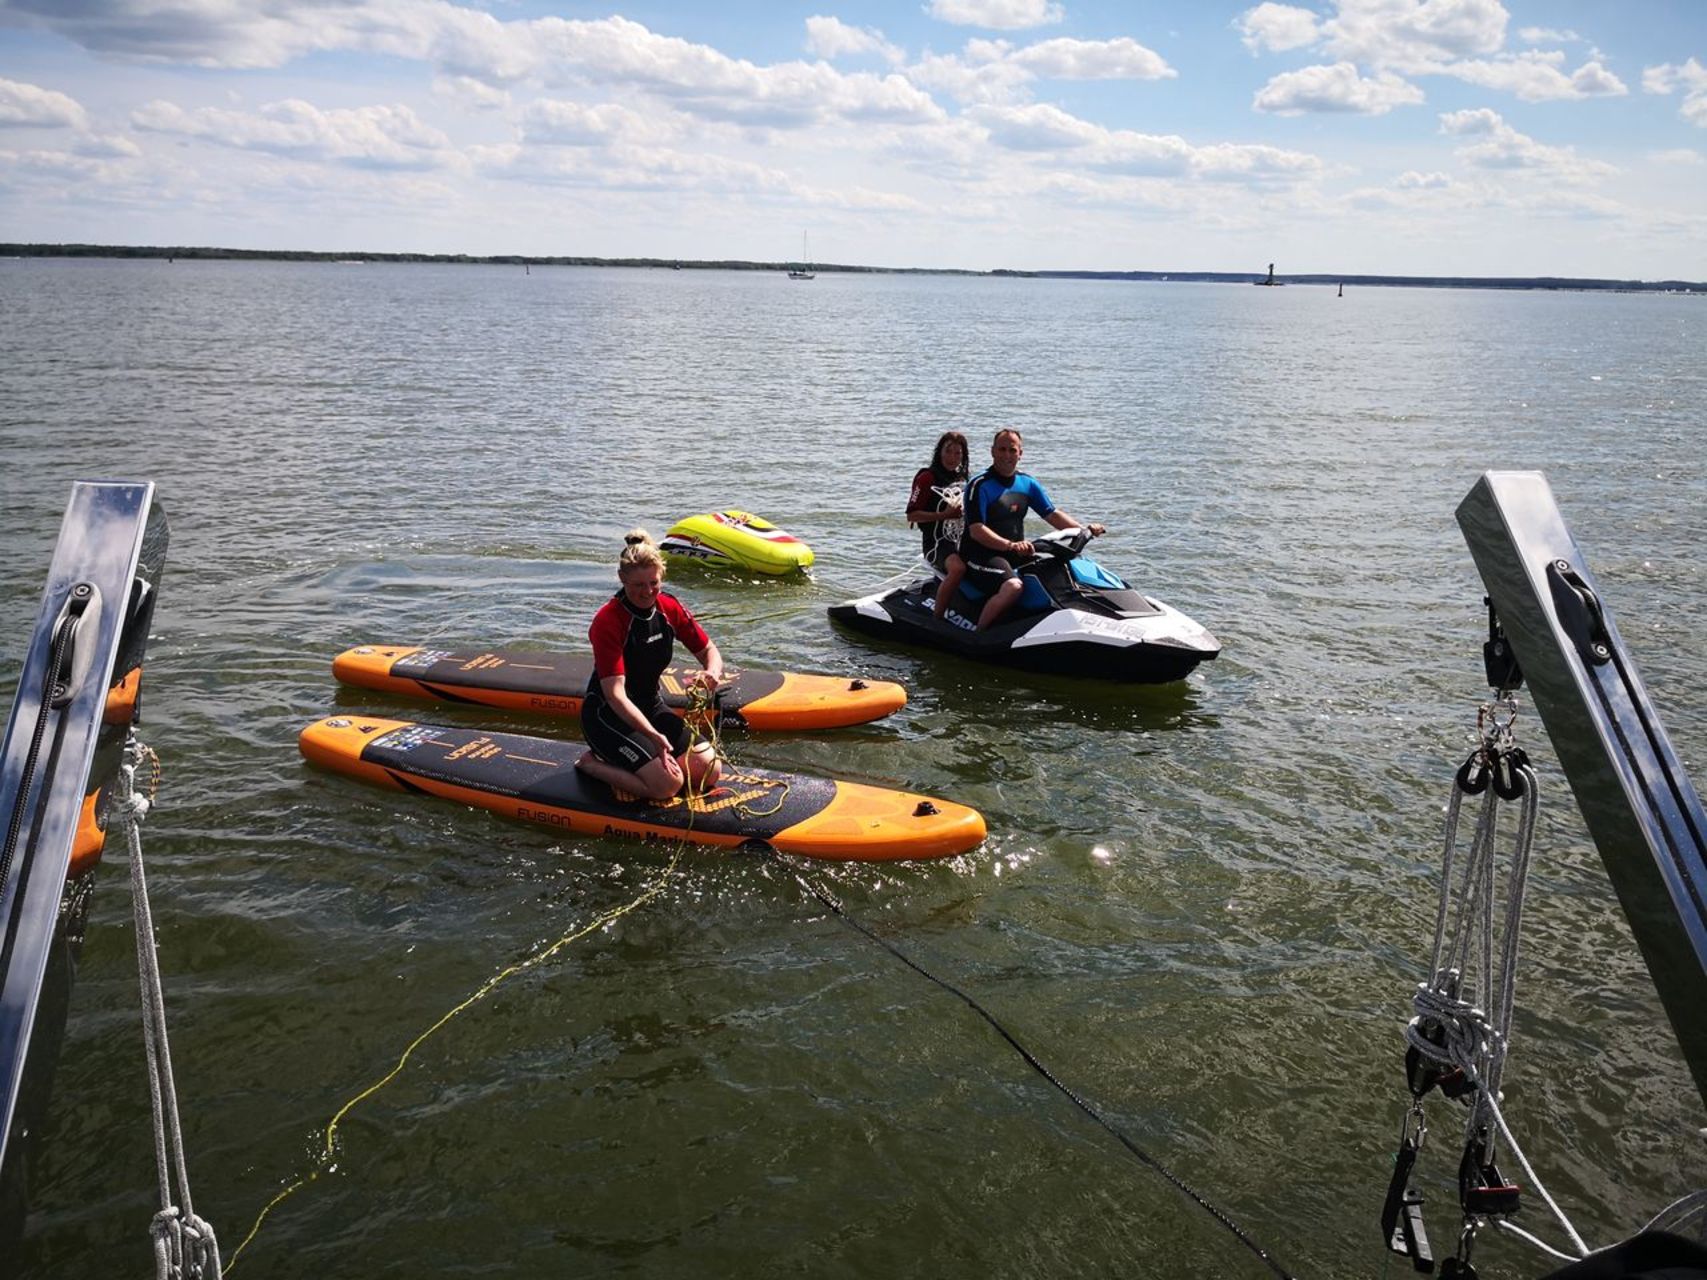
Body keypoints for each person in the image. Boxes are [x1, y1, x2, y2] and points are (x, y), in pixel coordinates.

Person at [576, 530, 724, 801]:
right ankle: (591, 764)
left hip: (650, 706)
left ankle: (648, 763)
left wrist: (711, 673)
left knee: (709, 769)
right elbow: (615, 695)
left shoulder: (669, 607)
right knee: (667, 785)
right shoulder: (609, 621)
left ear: (661, 577)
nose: (647, 592)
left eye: (653, 583)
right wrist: (653, 736)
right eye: (638, 585)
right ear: (622, 578)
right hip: (607, 716)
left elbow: (708, 650)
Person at [933, 428, 1106, 631]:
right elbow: (976, 530)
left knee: (1056, 568)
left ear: (1020, 453)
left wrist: (1084, 530)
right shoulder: (979, 484)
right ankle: (978, 634)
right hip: (980, 555)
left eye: (1012, 450)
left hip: (1015, 552)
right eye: (1002, 449)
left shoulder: (1027, 483)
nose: (1007, 455)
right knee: (1013, 586)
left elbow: (1052, 514)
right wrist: (1011, 545)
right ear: (992, 451)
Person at [906, 430, 969, 569]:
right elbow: (911, 516)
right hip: (936, 544)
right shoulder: (927, 478)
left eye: (957, 453)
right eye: (948, 451)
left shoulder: (963, 480)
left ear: (963, 456)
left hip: (960, 540)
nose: (952, 458)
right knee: (958, 568)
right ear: (939, 452)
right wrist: (944, 515)